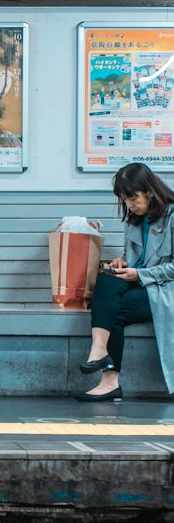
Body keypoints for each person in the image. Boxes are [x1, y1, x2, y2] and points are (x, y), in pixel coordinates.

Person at [77, 161, 174, 402]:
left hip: (163, 287)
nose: (130, 205)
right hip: (139, 281)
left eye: (133, 198)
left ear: (149, 191)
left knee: (114, 311)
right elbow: (135, 257)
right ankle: (98, 350)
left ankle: (110, 381)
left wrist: (139, 274)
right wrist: (122, 262)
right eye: (125, 199)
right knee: (107, 280)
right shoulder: (135, 218)